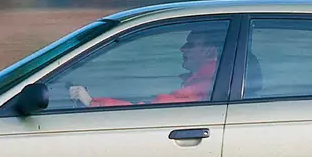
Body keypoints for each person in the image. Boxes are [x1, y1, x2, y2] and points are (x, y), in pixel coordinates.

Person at [67, 25, 223, 107]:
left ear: (209, 51)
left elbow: (151, 109)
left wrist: (91, 102)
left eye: (190, 44)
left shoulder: (203, 85)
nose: (182, 49)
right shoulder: (216, 79)